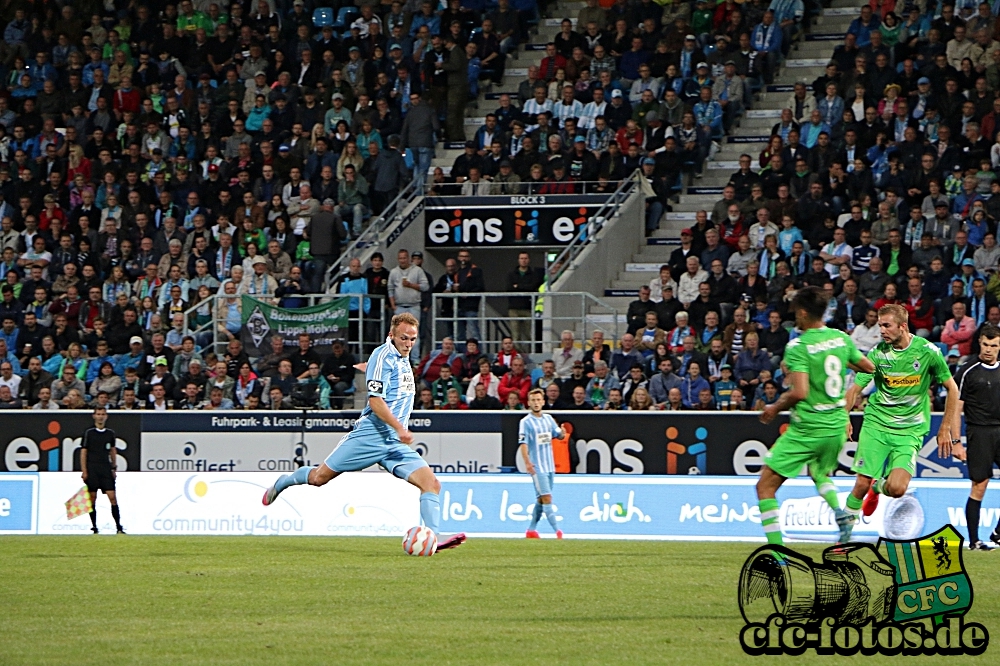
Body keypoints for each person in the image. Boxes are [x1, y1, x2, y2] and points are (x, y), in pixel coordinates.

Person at [262, 313, 465, 552]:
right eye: (403, 338)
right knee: (319, 478)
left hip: (394, 442)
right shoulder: (383, 355)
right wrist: (400, 428)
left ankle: (434, 536)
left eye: (412, 339)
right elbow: (376, 401)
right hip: (371, 435)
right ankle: (283, 482)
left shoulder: (402, 360)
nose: (408, 344)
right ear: (391, 335)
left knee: (431, 484)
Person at [756, 286, 875, 546]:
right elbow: (869, 367)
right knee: (820, 472)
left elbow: (800, 392)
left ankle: (777, 553)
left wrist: (774, 408)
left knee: (765, 487)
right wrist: (851, 393)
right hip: (836, 426)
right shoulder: (841, 338)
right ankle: (840, 513)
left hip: (808, 427)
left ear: (802, 312)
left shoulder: (798, 346)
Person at [843, 304, 962, 526]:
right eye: (880, 326)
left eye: (887, 326)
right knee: (861, 483)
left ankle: (878, 487)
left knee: (897, 489)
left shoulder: (928, 352)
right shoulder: (877, 354)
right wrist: (845, 416)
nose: (882, 331)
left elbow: (953, 389)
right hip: (877, 424)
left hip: (909, 430)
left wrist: (944, 428)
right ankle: (842, 539)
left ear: (903, 326)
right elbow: (855, 389)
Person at [953, 325, 1000, 550]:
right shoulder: (967, 370)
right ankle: (974, 541)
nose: (989, 349)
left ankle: (998, 532)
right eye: (985, 344)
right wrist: (955, 441)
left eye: (994, 346)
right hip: (978, 431)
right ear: (979, 342)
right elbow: (955, 408)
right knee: (979, 485)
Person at [519, 388, 566, 539]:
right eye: (533, 400)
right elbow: (523, 443)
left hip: (550, 466)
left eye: (538, 400)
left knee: (541, 499)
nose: (536, 403)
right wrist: (527, 463)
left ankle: (531, 530)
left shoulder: (549, 419)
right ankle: (558, 532)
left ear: (543, 402)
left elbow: (558, 434)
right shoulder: (525, 422)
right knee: (547, 498)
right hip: (537, 466)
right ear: (528, 403)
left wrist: (562, 433)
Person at [79, 407, 125, 535]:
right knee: (92, 498)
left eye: (102, 414)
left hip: (105, 468)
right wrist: (84, 470)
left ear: (106, 416)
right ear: (94, 416)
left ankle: (118, 527)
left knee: (112, 498)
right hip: (92, 468)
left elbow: (112, 450)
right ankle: (94, 527)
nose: (100, 416)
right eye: (98, 414)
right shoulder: (89, 433)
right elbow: (84, 452)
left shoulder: (110, 433)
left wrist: (113, 467)